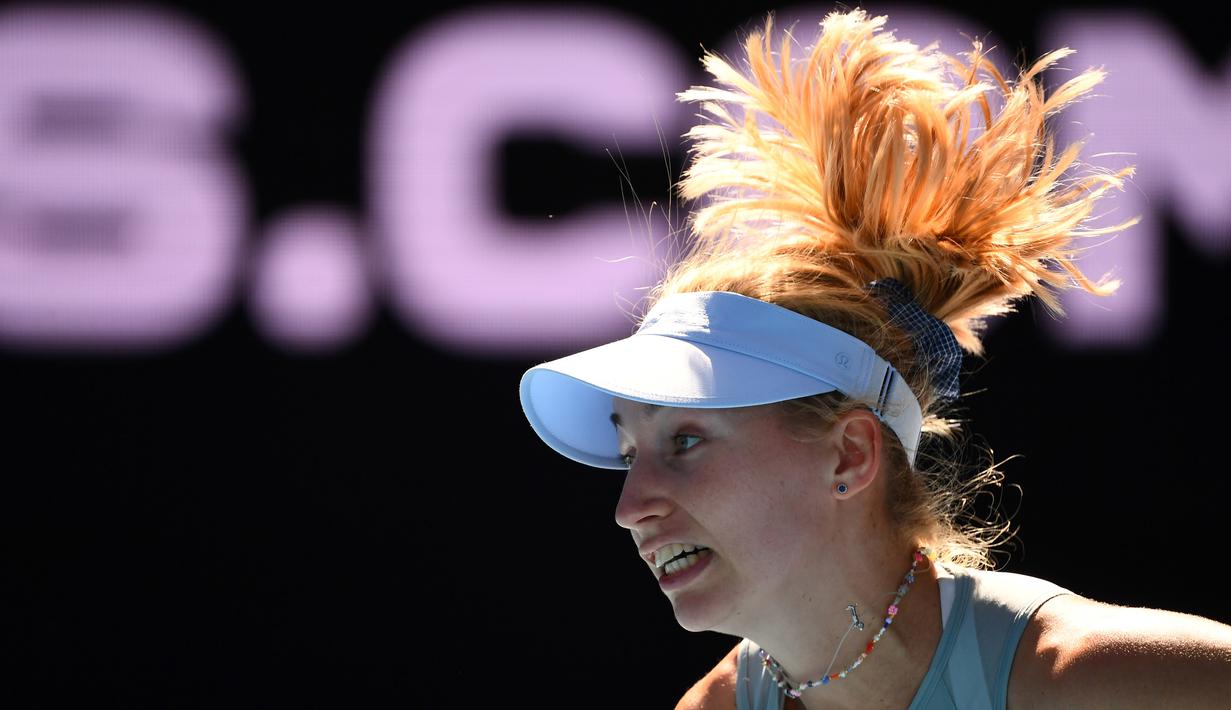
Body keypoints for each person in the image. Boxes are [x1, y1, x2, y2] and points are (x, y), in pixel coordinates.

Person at [518, 9, 1231, 709]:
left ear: (849, 456)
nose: (629, 507)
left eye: (683, 441)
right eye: (627, 451)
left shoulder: (1111, 682)